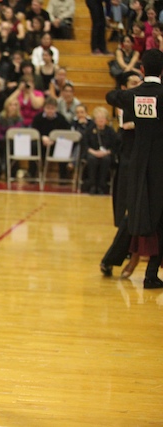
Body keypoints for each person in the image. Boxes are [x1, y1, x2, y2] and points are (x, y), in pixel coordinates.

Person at [106, 49, 163, 289]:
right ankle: (151, 273)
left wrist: (130, 90)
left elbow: (111, 96)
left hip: (139, 164)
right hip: (161, 163)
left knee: (140, 212)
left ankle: (118, 261)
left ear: (142, 70)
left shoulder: (134, 95)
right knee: (160, 216)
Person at [100, 71, 142, 278]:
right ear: (124, 88)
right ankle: (113, 258)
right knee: (131, 215)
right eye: (134, 82)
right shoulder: (124, 105)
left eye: (140, 81)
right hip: (131, 166)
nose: (139, 85)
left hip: (146, 164)